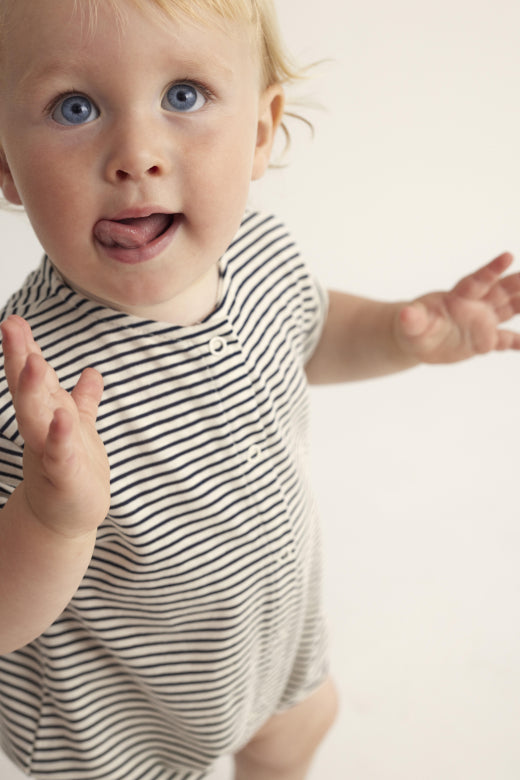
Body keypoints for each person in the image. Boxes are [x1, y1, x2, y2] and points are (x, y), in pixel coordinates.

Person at [0, 0, 518, 778]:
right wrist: (53, 516)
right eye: (75, 107)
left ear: (261, 130)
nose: (135, 154)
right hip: (119, 718)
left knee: (305, 725)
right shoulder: (33, 390)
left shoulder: (262, 254)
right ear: (4, 163)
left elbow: (309, 333)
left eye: (183, 95)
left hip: (268, 642)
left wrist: (401, 334)